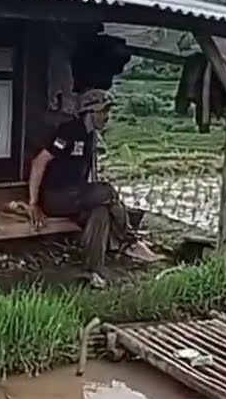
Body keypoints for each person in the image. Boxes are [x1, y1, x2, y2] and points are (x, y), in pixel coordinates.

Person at [26, 88, 161, 283]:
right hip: (57, 197)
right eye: (104, 111)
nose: (107, 116)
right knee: (106, 191)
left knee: (100, 212)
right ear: (90, 112)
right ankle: (131, 242)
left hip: (76, 197)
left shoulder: (90, 136)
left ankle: (94, 268)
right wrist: (33, 203)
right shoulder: (70, 131)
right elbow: (39, 162)